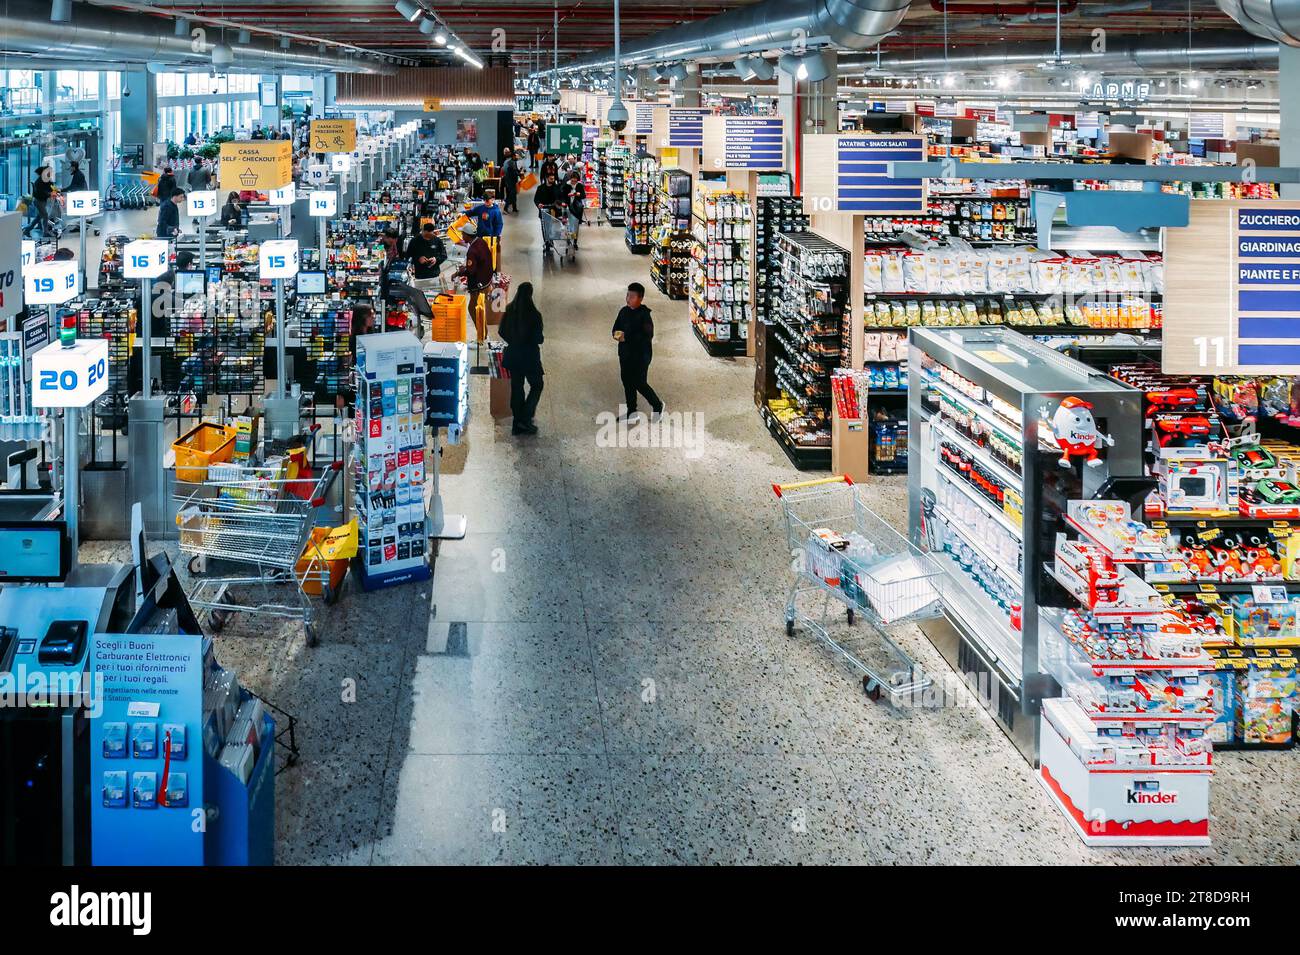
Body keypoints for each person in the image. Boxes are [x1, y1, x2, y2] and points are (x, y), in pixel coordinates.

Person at [612, 281, 663, 422]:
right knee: (627, 382)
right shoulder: (623, 311)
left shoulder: (645, 316)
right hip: (625, 355)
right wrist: (616, 335)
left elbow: (647, 336)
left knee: (640, 383)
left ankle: (657, 405)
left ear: (640, 299)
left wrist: (626, 337)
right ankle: (631, 411)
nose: (628, 299)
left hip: (641, 356)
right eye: (627, 295)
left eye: (632, 296)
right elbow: (615, 328)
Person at [498, 282, 544, 436]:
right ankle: (526, 416)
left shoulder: (510, 309)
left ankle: (517, 422)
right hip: (529, 357)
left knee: (517, 387)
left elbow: (501, 331)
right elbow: (539, 339)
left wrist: (513, 341)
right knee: (537, 385)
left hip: (513, 356)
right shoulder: (535, 315)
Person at [453, 219, 493, 342]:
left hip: (478, 286)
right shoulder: (480, 242)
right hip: (487, 281)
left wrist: (458, 272)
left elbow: (471, 271)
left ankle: (482, 336)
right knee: (480, 309)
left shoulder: (472, 251)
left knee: (474, 310)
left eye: (463, 234)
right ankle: (483, 334)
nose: (461, 236)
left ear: (467, 235)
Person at [23, 166, 55, 238]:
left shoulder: (47, 180)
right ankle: (45, 233)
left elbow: (52, 188)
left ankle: (27, 230)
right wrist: (49, 193)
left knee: (39, 217)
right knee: (45, 216)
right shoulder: (39, 181)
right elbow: (40, 192)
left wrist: (54, 190)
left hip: (43, 201)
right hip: (38, 201)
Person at [564, 171, 585, 249]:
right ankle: (569, 239)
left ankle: (575, 242)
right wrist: (567, 195)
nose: (574, 181)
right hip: (568, 207)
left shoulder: (579, 185)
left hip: (576, 209)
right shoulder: (566, 185)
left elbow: (583, 195)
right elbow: (562, 195)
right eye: (573, 180)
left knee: (575, 226)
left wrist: (579, 194)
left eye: (575, 180)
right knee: (569, 225)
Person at [501, 147, 520, 214]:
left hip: (508, 181)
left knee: (513, 195)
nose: (518, 157)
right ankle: (505, 208)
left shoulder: (509, 161)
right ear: (514, 156)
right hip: (511, 181)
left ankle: (514, 208)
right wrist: (519, 173)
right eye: (517, 156)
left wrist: (519, 171)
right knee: (511, 195)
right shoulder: (511, 162)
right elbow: (514, 172)